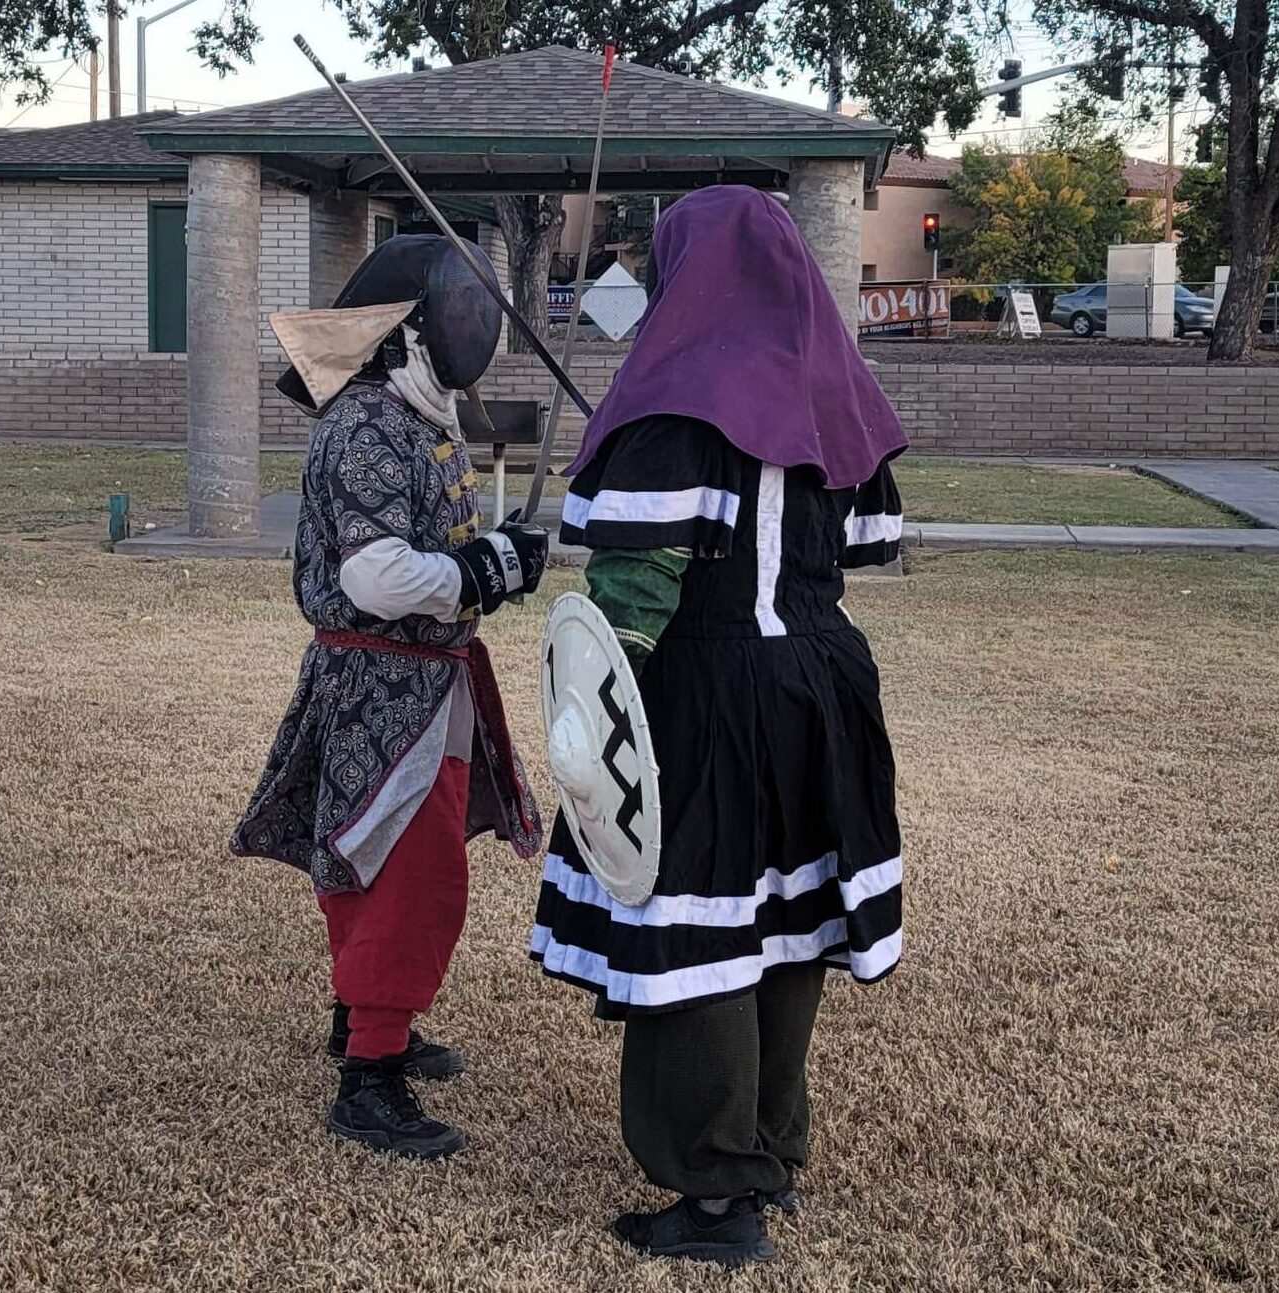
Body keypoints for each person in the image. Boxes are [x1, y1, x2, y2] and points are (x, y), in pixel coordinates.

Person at [530, 186, 908, 1266]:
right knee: (781, 923)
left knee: (692, 930)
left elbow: (632, 591)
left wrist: (592, 715)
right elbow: (863, 548)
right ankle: (767, 1153)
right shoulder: (840, 393)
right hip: (822, 687)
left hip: (704, 694)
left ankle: (713, 1199)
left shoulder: (668, 405)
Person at [233, 234, 546, 1161]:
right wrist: (477, 571)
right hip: (382, 682)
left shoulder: (415, 420)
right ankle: (369, 1080)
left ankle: (366, 1024)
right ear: (408, 332)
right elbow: (374, 576)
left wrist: (494, 563)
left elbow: (433, 557)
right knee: (401, 870)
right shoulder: (366, 424)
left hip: (428, 677)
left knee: (397, 856)